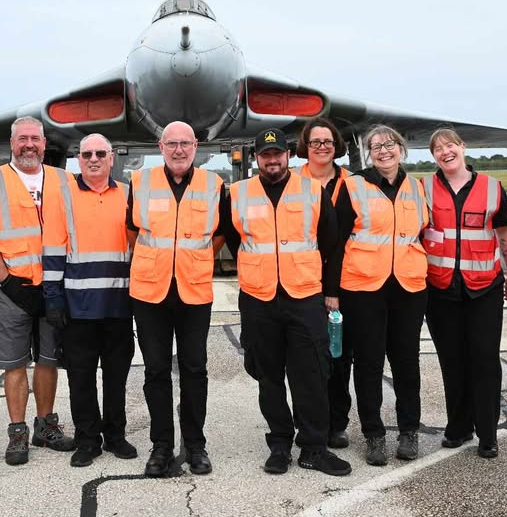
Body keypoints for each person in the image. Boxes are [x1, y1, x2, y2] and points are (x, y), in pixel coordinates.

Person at [222, 128, 351, 476]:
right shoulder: (236, 194)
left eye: (278, 154)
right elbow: (235, 240)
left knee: (311, 374)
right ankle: (279, 444)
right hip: (259, 298)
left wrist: (328, 290)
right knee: (268, 376)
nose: (273, 160)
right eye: (265, 155)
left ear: (289, 156)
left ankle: (313, 447)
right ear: (256, 159)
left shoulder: (313, 191)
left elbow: (330, 243)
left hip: (304, 296)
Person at [0, 116, 74, 466]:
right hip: (13, 290)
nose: (29, 145)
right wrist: (7, 280)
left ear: (44, 144)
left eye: (35, 139)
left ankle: (46, 426)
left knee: (49, 359)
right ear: (12, 144)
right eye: (22, 139)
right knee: (15, 363)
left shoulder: (64, 180)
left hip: (52, 288)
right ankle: (18, 432)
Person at [127, 121, 225, 478]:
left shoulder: (214, 185)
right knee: (155, 371)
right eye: (172, 144)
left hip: (194, 291)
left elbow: (221, 233)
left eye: (185, 143)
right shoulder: (140, 183)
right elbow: (131, 231)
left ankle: (195, 444)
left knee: (195, 370)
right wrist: (157, 262)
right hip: (150, 292)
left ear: (195, 146)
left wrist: (194, 260)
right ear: (161, 146)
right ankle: (162, 446)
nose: (179, 150)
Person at [333, 124, 429, 466]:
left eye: (389, 144)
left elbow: (423, 234)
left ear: (401, 148)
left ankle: (409, 432)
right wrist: (332, 291)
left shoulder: (417, 187)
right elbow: (336, 240)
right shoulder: (353, 185)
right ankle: (374, 435)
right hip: (363, 288)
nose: (383, 151)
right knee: (369, 364)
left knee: (407, 362)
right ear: (369, 153)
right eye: (376, 147)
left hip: (408, 288)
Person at [41, 133, 137, 468]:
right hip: (77, 308)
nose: (93, 159)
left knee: (116, 378)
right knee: (80, 379)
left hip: (119, 307)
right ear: (78, 160)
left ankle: (115, 436)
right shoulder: (62, 196)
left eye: (100, 153)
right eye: (86, 154)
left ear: (112, 158)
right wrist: (52, 299)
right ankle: (87, 441)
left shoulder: (128, 194)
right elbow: (52, 250)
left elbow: (138, 248)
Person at [421, 128, 507, 459]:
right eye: (437, 148)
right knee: (452, 360)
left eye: (450, 145)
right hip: (441, 289)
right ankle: (458, 427)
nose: (445, 152)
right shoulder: (424, 188)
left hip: (484, 287)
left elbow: (503, 233)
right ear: (433, 156)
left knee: (485, 359)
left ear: (462, 148)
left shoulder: (491, 188)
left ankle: (488, 433)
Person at [295, 117, 353, 449]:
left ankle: (337, 423)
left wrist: (334, 289)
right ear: (305, 146)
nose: (321, 147)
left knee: (338, 356)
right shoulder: (293, 181)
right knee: (304, 361)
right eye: (315, 142)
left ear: (337, 146)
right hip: (302, 283)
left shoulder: (354, 184)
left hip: (343, 283)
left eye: (328, 142)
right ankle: (306, 423)